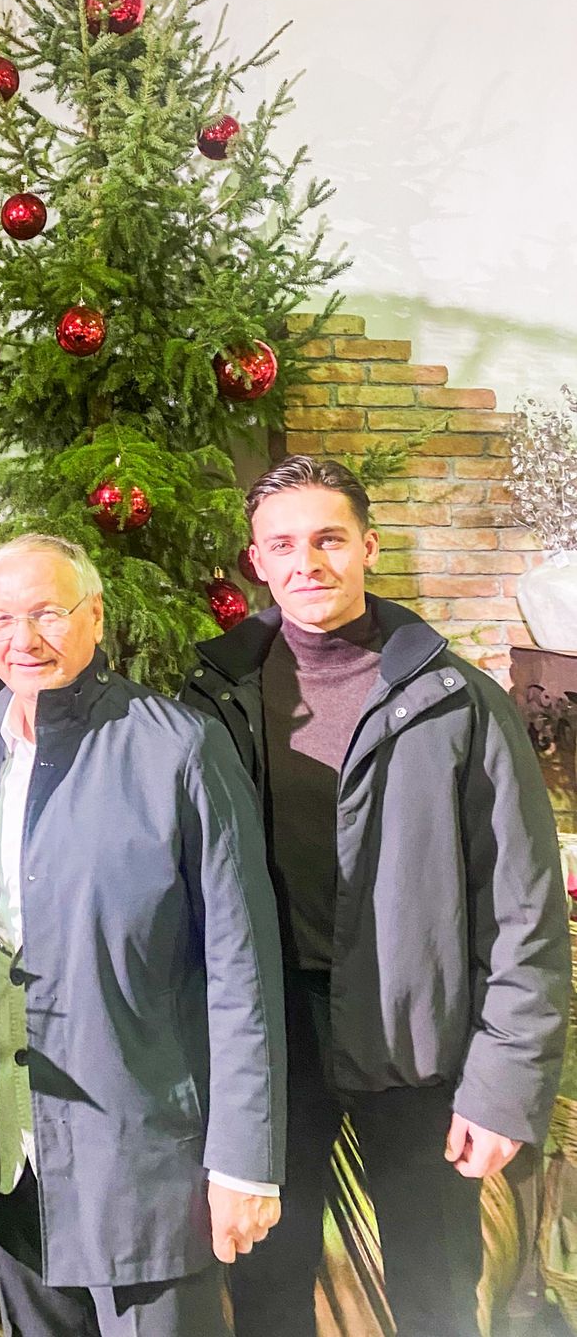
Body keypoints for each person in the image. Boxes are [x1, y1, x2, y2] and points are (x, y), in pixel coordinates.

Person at [181, 454, 570, 1337]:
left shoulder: (456, 702)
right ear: (256, 561)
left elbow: (524, 909)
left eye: (328, 539)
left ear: (369, 546)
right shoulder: (216, 696)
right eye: (283, 545)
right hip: (273, 1042)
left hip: (418, 1043)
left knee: (438, 1294)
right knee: (270, 1294)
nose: (306, 563)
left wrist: (504, 1085)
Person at [0, 534, 287, 1337]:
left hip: (147, 1162)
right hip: (15, 1152)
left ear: (95, 616)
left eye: (49, 614)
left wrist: (244, 1162)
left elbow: (244, 970)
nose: (25, 640)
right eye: (3, 620)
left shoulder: (179, 750)